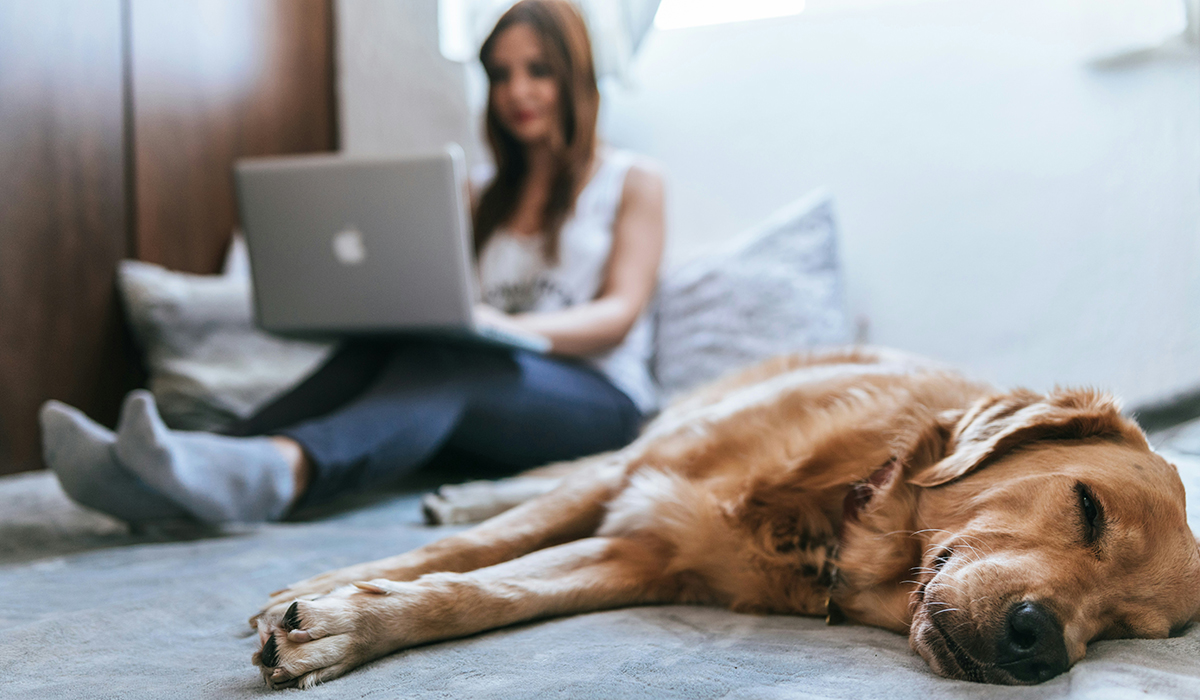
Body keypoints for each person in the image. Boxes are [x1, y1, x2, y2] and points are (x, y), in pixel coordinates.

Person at [39, 0, 665, 525]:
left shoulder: (631, 180)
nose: (516, 92)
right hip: (485, 378)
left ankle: (281, 470)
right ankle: (183, 466)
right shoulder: (476, 192)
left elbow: (619, 313)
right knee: (394, 350)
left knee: (451, 360)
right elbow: (441, 294)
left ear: (574, 76)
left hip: (597, 400)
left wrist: (506, 330)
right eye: (500, 75)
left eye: (537, 71)